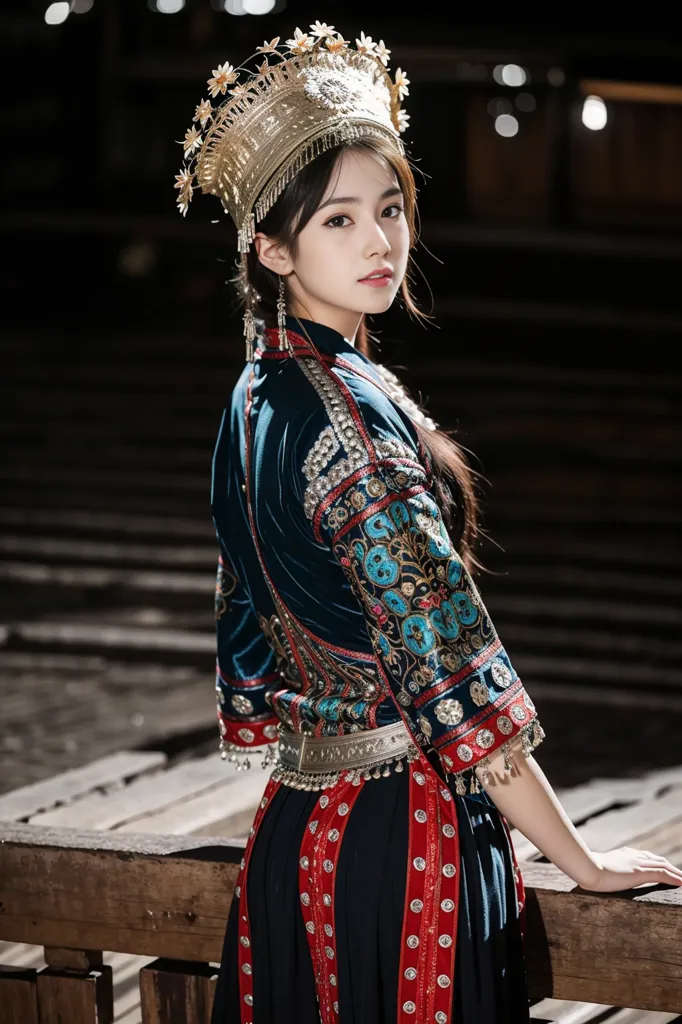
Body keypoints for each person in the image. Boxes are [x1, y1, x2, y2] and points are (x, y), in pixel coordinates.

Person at [174, 23, 682, 1024]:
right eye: (337, 221)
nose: (379, 243)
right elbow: (450, 671)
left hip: (294, 833)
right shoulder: (351, 424)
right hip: (407, 847)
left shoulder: (253, 394)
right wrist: (576, 858)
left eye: (391, 209)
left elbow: (247, 609)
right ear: (271, 247)